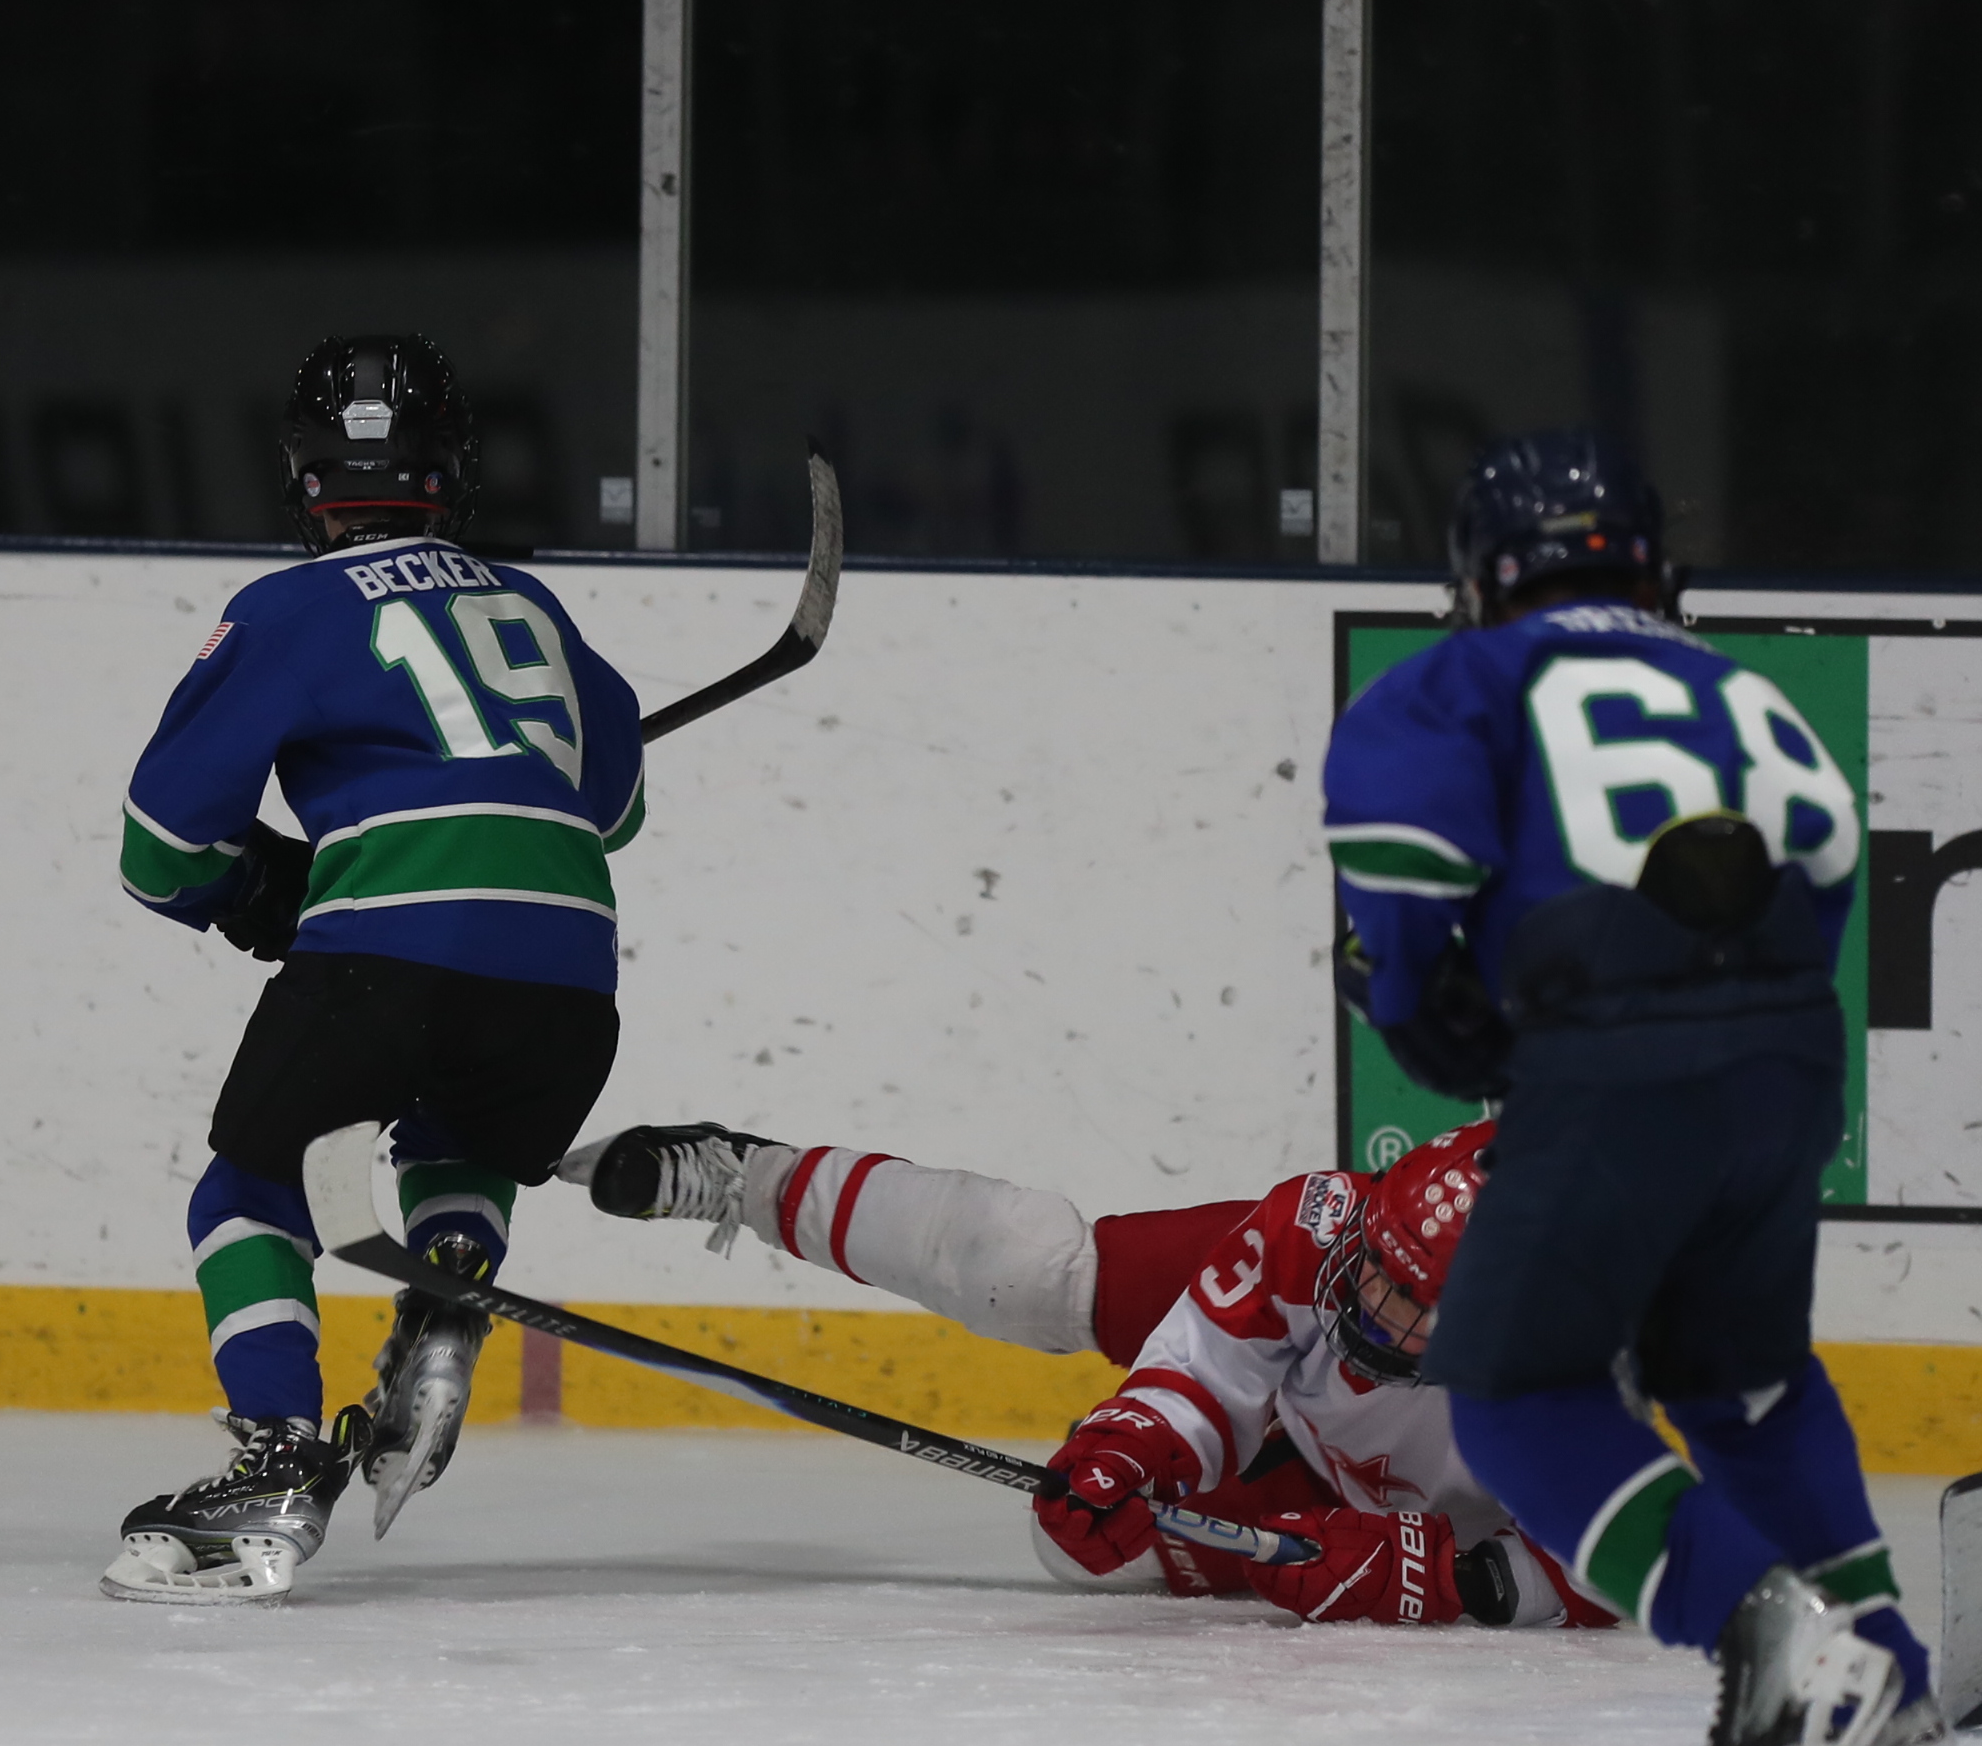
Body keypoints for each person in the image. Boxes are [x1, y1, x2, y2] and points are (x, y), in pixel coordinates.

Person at [1319, 429, 1961, 1746]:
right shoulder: (1741, 690)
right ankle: (1894, 1682)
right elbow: (1825, 871)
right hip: (1790, 1059)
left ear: (1485, 576)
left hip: (1620, 1065)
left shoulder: (1459, 679)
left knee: (1516, 1397)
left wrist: (1420, 1006)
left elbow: (1405, 886)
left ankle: (1779, 1647)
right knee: (1743, 1385)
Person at [99, 334, 649, 1605]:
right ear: (454, 469)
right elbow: (613, 812)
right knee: (458, 1130)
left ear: (304, 474)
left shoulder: (288, 607)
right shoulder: (535, 604)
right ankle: (448, 1283)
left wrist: (253, 888)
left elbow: (159, 850)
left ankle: (276, 1459)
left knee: (249, 1193)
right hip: (571, 971)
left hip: (388, 951)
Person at [564, 1117, 1614, 1629]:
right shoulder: (1325, 1232)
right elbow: (1208, 1364)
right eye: (1374, 1263)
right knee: (1032, 1272)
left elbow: (1653, 1549)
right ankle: (750, 1178)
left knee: (1088, 1558)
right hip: (1320, 1435)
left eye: (1407, 1297)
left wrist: (1461, 1582)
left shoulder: (1612, 1376)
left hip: (1392, 1505)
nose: (1366, 1298)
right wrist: (1133, 1439)